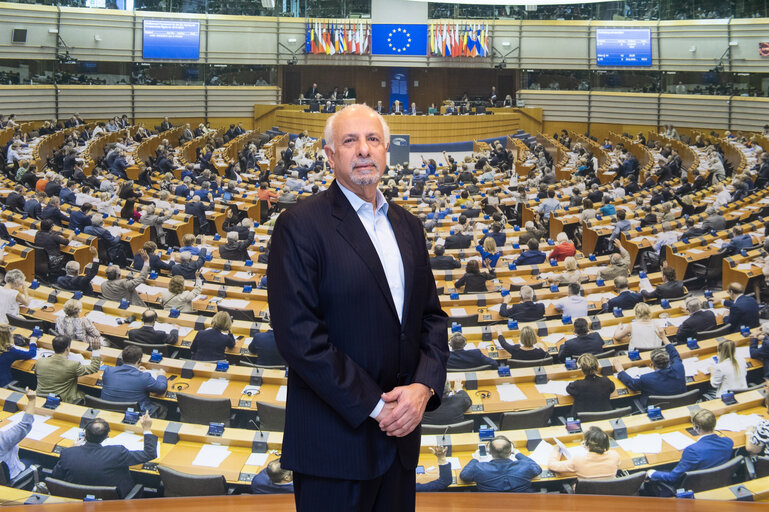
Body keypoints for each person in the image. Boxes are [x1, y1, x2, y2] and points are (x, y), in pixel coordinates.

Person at [267, 104, 448, 511]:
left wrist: (424, 387)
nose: (363, 150)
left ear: (386, 151)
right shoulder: (299, 225)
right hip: (334, 447)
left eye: (373, 140)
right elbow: (300, 338)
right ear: (330, 156)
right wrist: (378, 405)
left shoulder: (408, 226)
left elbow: (431, 318)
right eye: (350, 141)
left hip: (401, 445)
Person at [52, 413, 157, 498]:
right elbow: (149, 453)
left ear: (85, 435)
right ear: (107, 436)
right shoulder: (117, 453)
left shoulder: (68, 453)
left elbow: (56, 478)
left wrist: (74, 449)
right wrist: (147, 429)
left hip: (77, 500)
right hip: (112, 502)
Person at [645, 410, 733, 497]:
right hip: (717, 483)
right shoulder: (728, 442)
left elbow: (672, 477)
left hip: (694, 487)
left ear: (696, 428)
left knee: (653, 476)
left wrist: (651, 473)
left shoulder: (692, 451)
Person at [614, 334, 686, 408]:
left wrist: (620, 370)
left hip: (655, 409)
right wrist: (664, 338)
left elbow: (632, 384)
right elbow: (675, 355)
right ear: (669, 361)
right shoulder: (679, 368)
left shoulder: (646, 379)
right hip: (680, 405)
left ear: (652, 364)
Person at [101, 345, 168, 417]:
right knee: (162, 408)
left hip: (108, 410)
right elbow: (161, 388)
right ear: (139, 360)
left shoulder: (108, 371)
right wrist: (161, 375)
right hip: (135, 415)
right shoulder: (144, 377)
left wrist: (136, 371)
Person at [459, 435, 541, 493]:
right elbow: (537, 468)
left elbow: (464, 476)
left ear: (489, 452)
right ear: (510, 451)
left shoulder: (479, 468)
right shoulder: (525, 466)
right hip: (521, 507)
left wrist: (475, 459)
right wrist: (517, 453)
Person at [35, 334, 101, 403]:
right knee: (86, 395)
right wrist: (95, 350)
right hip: (62, 401)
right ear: (67, 349)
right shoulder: (72, 365)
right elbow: (94, 367)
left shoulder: (40, 361)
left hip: (40, 398)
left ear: (53, 347)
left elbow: (36, 373)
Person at [548, 426, 621, 479]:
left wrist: (556, 451)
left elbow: (552, 465)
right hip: (610, 496)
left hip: (587, 497)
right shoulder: (615, 456)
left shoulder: (578, 460)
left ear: (587, 444)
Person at [0, 388, 38, 480]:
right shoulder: (4, 439)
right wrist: (32, 400)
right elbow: (25, 424)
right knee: (39, 459)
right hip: (11, 477)